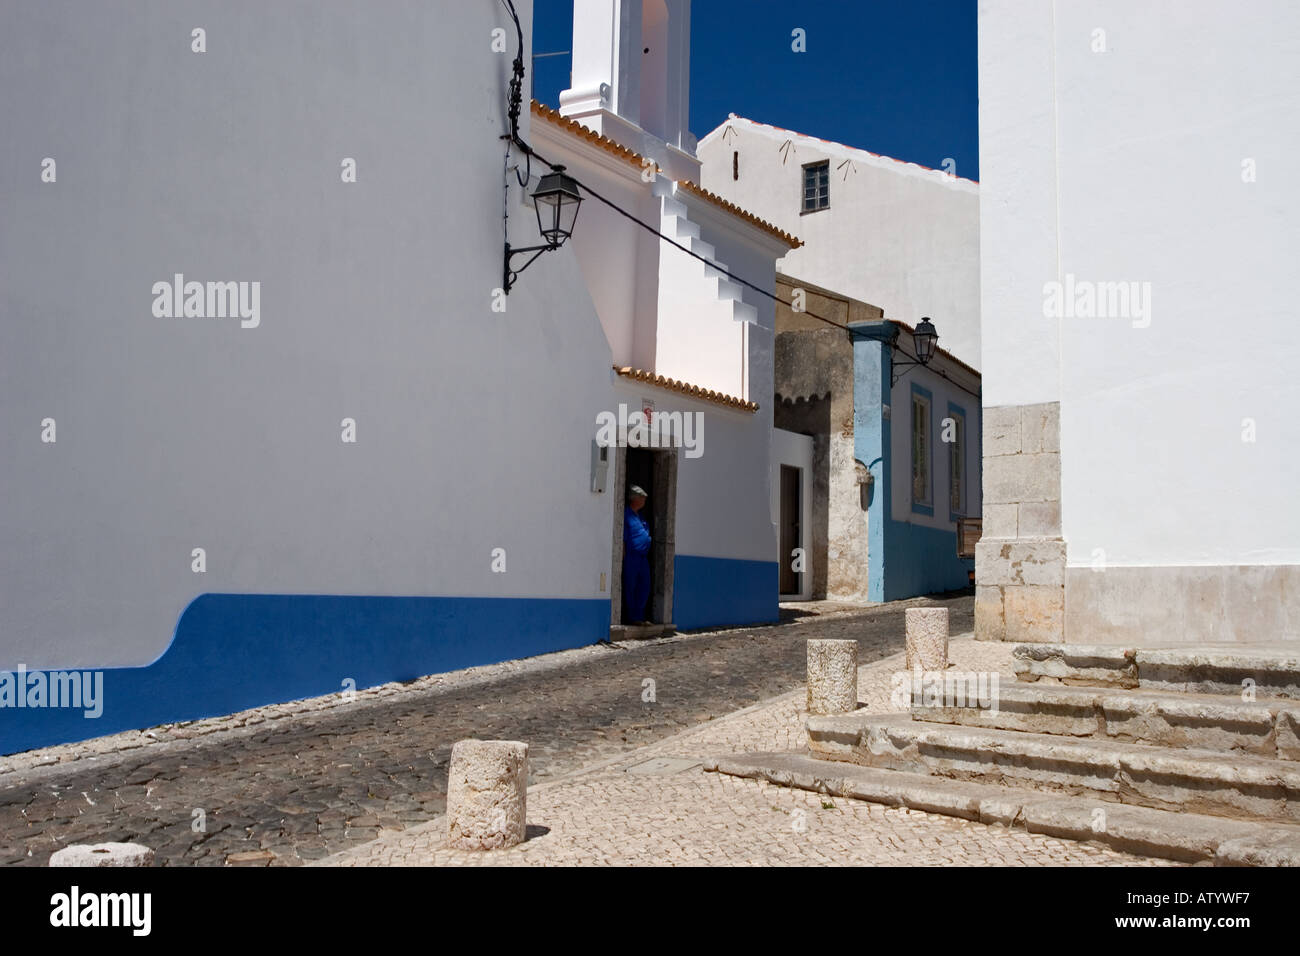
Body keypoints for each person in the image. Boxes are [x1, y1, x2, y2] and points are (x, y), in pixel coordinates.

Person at [623, 485, 652, 624]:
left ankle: (639, 616)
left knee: (644, 586)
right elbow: (623, 538)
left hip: (642, 557)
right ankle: (632, 618)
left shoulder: (640, 517)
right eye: (642, 497)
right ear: (634, 498)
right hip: (631, 556)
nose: (644, 500)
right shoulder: (626, 514)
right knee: (631, 586)